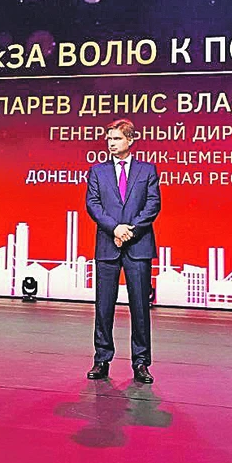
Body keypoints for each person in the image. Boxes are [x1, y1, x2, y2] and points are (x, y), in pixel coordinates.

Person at [85, 119, 161, 384]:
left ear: (130, 140)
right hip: (108, 244)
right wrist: (115, 229)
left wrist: (131, 231)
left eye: (116, 138)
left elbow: (153, 205)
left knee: (139, 307)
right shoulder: (97, 171)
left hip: (138, 246)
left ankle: (141, 362)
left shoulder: (147, 170)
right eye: (109, 139)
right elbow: (93, 204)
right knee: (103, 306)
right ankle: (101, 359)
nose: (111, 143)